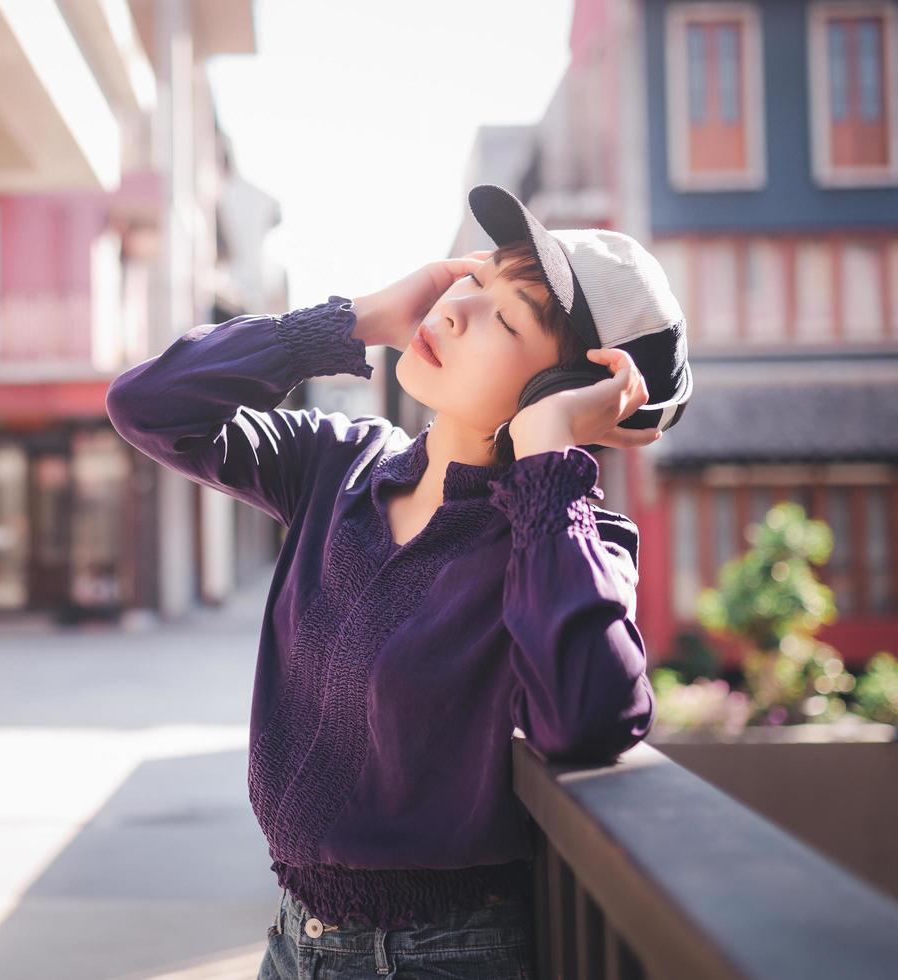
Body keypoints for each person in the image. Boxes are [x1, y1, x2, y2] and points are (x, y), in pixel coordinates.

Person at [105, 183, 692, 979]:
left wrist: (552, 455)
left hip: (448, 955)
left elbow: (589, 718)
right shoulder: (338, 464)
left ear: (561, 389)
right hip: (291, 941)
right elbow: (147, 404)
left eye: (507, 316)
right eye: (474, 282)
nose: (452, 310)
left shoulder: (566, 539)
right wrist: (349, 322)